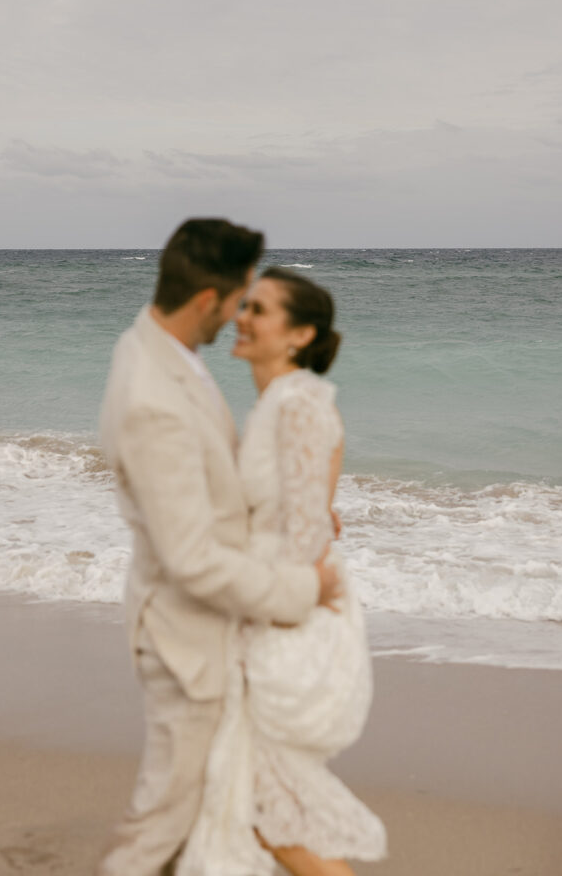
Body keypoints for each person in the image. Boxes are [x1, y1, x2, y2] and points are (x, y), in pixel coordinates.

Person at [97, 220, 342, 876]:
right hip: (186, 635)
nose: (239, 314)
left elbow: (213, 493)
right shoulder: (154, 395)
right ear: (208, 299)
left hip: (214, 628)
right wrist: (303, 590)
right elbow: (191, 559)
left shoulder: (162, 353)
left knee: (211, 813)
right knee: (166, 820)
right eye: (239, 300)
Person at [176, 267, 387, 876]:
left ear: (299, 335)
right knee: (249, 801)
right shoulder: (282, 403)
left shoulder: (297, 404)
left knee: (264, 809)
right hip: (271, 603)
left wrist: (260, 614)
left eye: (260, 309)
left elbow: (306, 536)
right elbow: (312, 510)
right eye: (244, 305)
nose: (241, 317)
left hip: (285, 616)